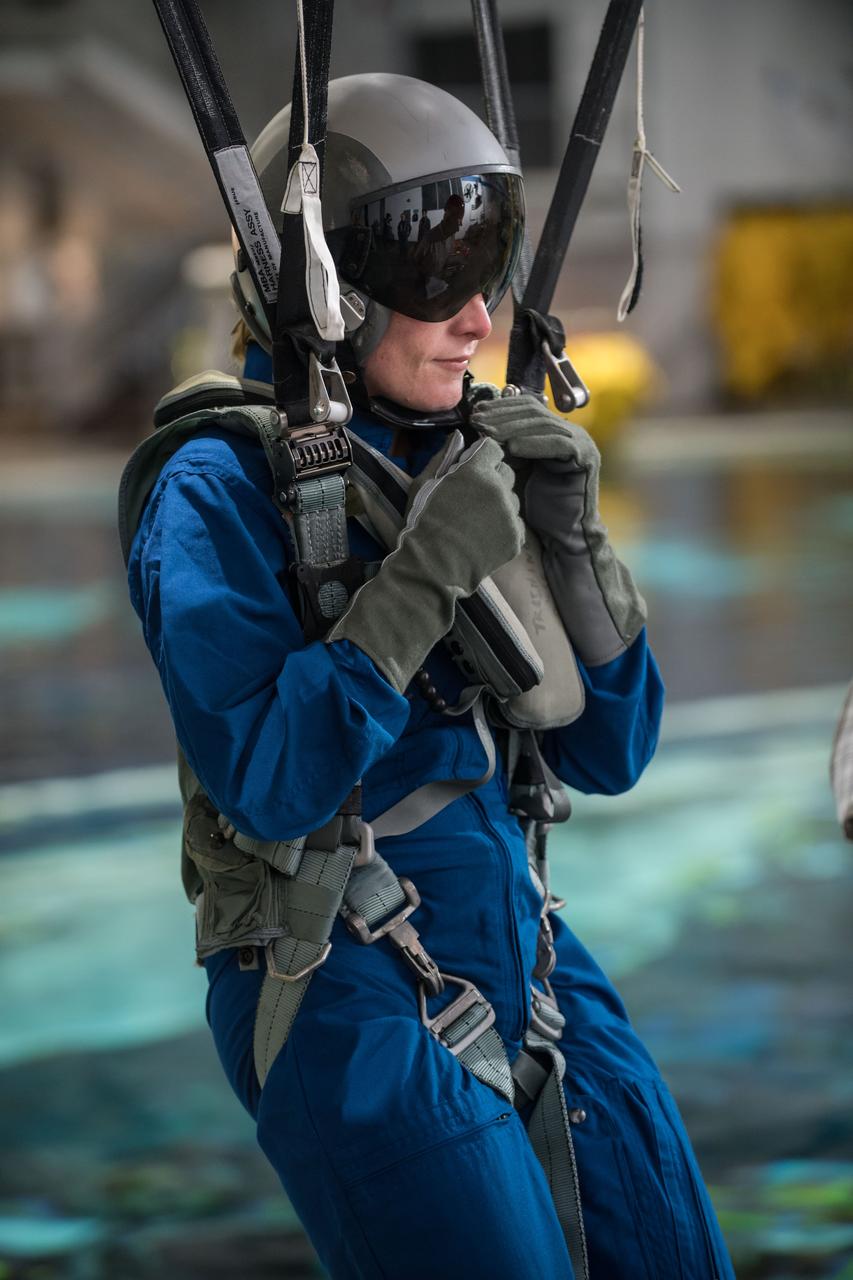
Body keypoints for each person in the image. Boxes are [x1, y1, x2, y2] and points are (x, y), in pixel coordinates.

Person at [123, 73, 734, 1279]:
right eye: (435, 269)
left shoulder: (456, 454)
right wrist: (417, 581)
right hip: (335, 971)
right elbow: (273, 782)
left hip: (528, 949)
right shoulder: (212, 488)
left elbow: (609, 751)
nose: (473, 318)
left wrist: (570, 535)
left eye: (488, 263)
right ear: (330, 288)